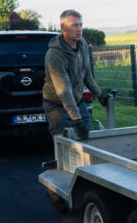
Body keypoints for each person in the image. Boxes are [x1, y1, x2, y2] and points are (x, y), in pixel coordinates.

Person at [43, 9, 108, 141]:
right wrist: (76, 119)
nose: (79, 29)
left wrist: (100, 94)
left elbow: (87, 74)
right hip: (57, 106)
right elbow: (64, 89)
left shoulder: (82, 44)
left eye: (81, 25)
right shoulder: (55, 55)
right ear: (63, 27)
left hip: (78, 102)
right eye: (74, 25)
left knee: (89, 142)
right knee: (66, 146)